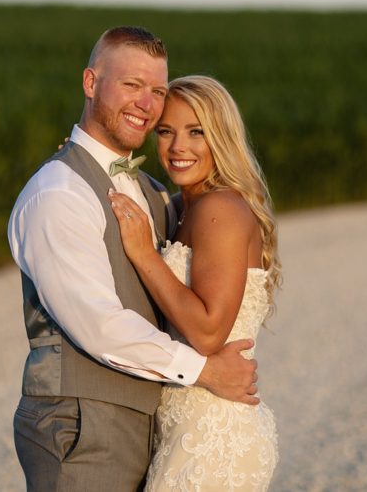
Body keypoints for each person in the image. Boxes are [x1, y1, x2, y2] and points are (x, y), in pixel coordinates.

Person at [8, 28, 260, 492]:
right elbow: (98, 323)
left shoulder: (158, 196)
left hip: (154, 426)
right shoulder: (59, 192)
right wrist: (205, 371)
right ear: (90, 83)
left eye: (157, 91)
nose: (146, 102)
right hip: (81, 424)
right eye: (130, 85)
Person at [108, 74, 281, 491]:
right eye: (165, 132)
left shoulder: (219, 209)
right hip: (187, 423)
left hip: (213, 433)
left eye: (195, 132)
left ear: (220, 137)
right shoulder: (184, 207)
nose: (177, 147)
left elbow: (207, 332)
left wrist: (146, 256)